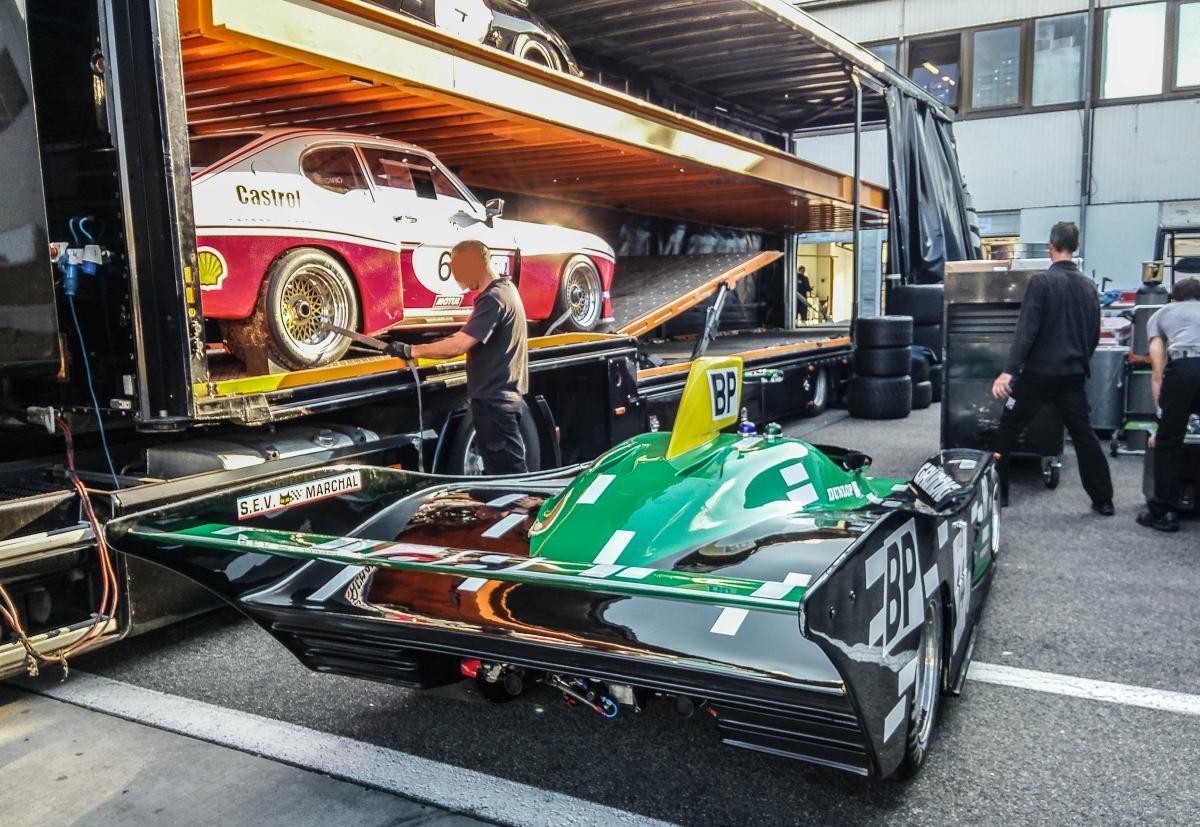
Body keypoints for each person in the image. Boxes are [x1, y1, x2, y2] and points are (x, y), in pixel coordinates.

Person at [991, 221, 1114, 514]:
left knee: (1008, 428)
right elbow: (1094, 333)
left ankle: (999, 494)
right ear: (1077, 247)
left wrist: (1009, 371)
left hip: (1037, 375)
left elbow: (1027, 330)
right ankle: (1103, 500)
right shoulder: (1089, 286)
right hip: (1071, 376)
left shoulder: (1042, 282)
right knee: (1084, 435)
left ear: (1051, 247)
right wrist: (1079, 360)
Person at [391, 240, 529, 475]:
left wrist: (412, 351)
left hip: (495, 403)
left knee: (509, 479)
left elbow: (460, 345)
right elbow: (468, 334)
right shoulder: (507, 290)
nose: (457, 279)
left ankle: (523, 511)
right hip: (504, 399)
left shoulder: (493, 298)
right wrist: (433, 344)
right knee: (506, 474)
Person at [1137, 276, 1200, 532]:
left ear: (1173, 297)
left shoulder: (1162, 313)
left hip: (1182, 367)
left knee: (1169, 443)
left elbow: (1157, 366)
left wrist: (1160, 421)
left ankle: (1164, 512)